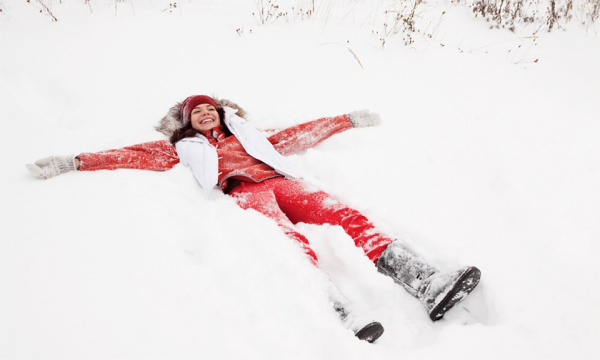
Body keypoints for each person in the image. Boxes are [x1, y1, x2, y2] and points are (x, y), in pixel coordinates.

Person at [26, 95, 481, 343]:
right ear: (187, 124)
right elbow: (129, 155)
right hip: (246, 193)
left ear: (221, 112)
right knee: (291, 244)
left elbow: (300, 134)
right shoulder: (179, 148)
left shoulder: (252, 135)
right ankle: (343, 314)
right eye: (196, 113)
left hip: (282, 182)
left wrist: (345, 119)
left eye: (210, 108)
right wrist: (75, 161)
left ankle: (424, 281)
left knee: (346, 214)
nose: (205, 115)